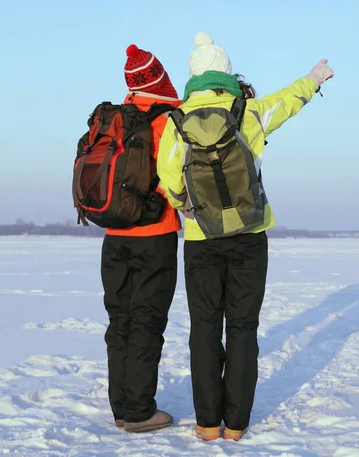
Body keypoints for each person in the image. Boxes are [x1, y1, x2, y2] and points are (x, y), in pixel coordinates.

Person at [157, 32, 333, 441]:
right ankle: (235, 425)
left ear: (194, 78)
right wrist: (315, 76)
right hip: (250, 236)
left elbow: (169, 181)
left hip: (201, 240)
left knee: (204, 328)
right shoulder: (248, 111)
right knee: (242, 328)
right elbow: (290, 100)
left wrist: (190, 207)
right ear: (225, 72)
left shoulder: (175, 122)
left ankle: (206, 424)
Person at [101, 44, 181, 433]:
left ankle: (121, 405)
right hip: (155, 234)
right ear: (160, 79)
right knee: (147, 321)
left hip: (114, 235)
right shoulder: (167, 120)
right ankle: (138, 411)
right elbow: (175, 178)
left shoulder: (114, 118)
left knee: (120, 321)